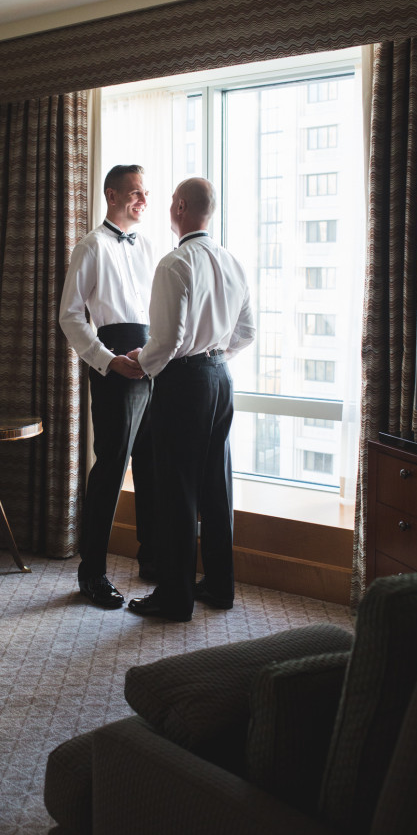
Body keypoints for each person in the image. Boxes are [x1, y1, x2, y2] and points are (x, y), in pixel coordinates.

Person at [126, 177, 255, 622]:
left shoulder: (174, 264)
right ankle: (219, 586)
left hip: (185, 385)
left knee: (175, 491)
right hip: (221, 380)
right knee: (216, 488)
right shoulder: (232, 261)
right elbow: (247, 332)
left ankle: (175, 598)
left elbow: (167, 340)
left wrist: (139, 360)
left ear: (179, 207)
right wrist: (215, 357)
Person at [60, 164, 159, 609]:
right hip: (114, 360)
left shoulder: (149, 246)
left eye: (146, 194)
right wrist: (106, 360)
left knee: (153, 464)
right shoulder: (90, 247)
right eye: (136, 193)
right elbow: (70, 316)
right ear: (112, 194)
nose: (143, 201)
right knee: (111, 469)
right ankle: (92, 572)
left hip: (153, 359)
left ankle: (152, 558)